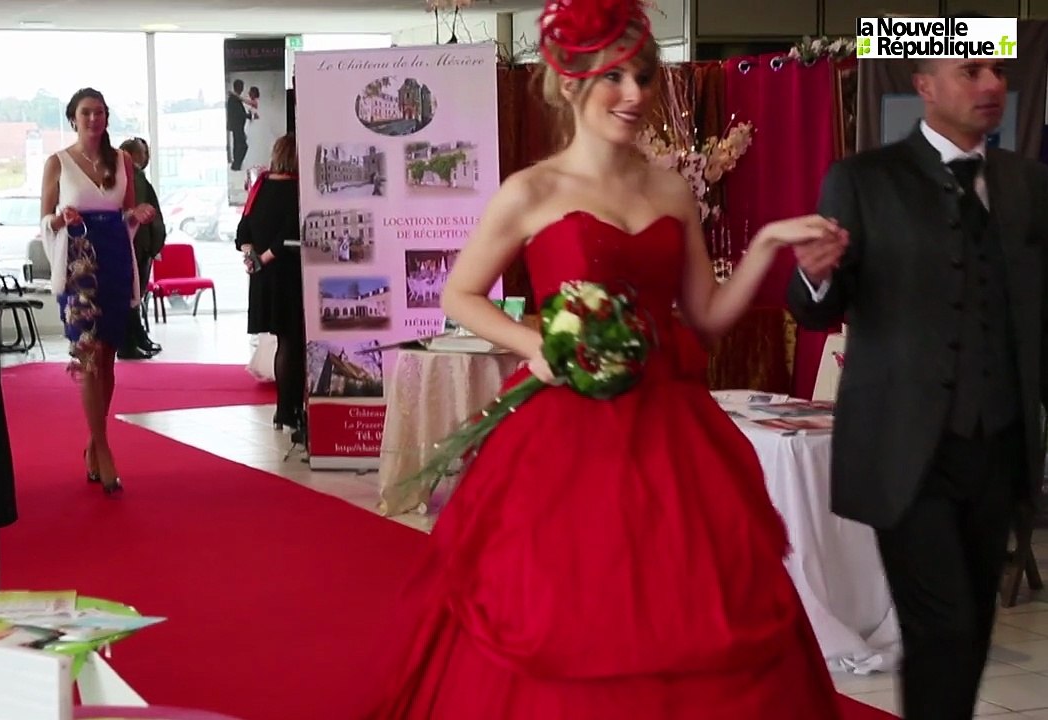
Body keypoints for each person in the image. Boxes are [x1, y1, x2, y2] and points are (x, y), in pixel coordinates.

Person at [361, 1, 846, 717]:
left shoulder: (669, 189)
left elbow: (705, 320)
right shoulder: (532, 191)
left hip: (671, 429)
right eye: (612, 77)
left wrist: (770, 242)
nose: (635, 94)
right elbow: (461, 295)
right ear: (569, 84)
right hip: (564, 432)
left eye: (643, 76)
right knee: (569, 603)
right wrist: (538, 347)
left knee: (688, 603)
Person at [786, 41, 1048, 720]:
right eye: (972, 70)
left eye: (999, 70)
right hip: (905, 453)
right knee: (945, 624)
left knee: (972, 633)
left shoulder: (1030, 184)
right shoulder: (863, 178)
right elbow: (819, 305)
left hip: (998, 448)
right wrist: (814, 272)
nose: (992, 83)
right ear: (926, 84)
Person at [40, 87, 156, 496]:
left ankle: (94, 439)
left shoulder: (121, 160)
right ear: (74, 118)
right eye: (87, 113)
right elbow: (44, 223)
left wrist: (136, 214)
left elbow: (125, 212)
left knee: (108, 357)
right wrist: (60, 219)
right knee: (88, 355)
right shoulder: (57, 163)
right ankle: (103, 445)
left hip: (116, 259)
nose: (94, 119)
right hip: (79, 264)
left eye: (100, 112)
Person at [236, 134, 305, 440]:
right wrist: (264, 259)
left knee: (282, 342)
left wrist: (254, 260)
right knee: (294, 342)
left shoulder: (260, 186)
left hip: (264, 279)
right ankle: (289, 409)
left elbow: (243, 231)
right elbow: (290, 233)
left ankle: (283, 409)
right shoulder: (297, 189)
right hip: (288, 274)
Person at [118, 136, 165, 360]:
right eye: (144, 153)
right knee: (131, 296)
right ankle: (128, 344)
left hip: (137, 244)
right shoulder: (133, 178)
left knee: (133, 297)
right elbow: (147, 214)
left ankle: (137, 338)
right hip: (136, 244)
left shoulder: (132, 177)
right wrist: (155, 245)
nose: (147, 158)